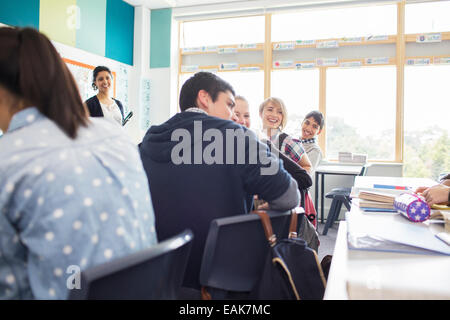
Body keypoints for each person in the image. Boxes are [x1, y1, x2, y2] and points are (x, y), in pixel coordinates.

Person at [0, 27, 157, 300]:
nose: (106, 82)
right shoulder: (117, 140)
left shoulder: (9, 160)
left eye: (108, 77)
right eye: (102, 78)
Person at [139, 72, 300, 290]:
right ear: (204, 98)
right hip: (222, 280)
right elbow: (290, 196)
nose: (234, 115)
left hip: (157, 278)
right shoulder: (237, 137)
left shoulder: (147, 143)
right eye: (230, 105)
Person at [259, 97, 313, 174]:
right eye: (270, 110)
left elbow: (307, 166)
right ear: (261, 113)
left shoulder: (287, 141)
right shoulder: (255, 138)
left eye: (280, 112)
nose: (274, 115)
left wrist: (289, 182)